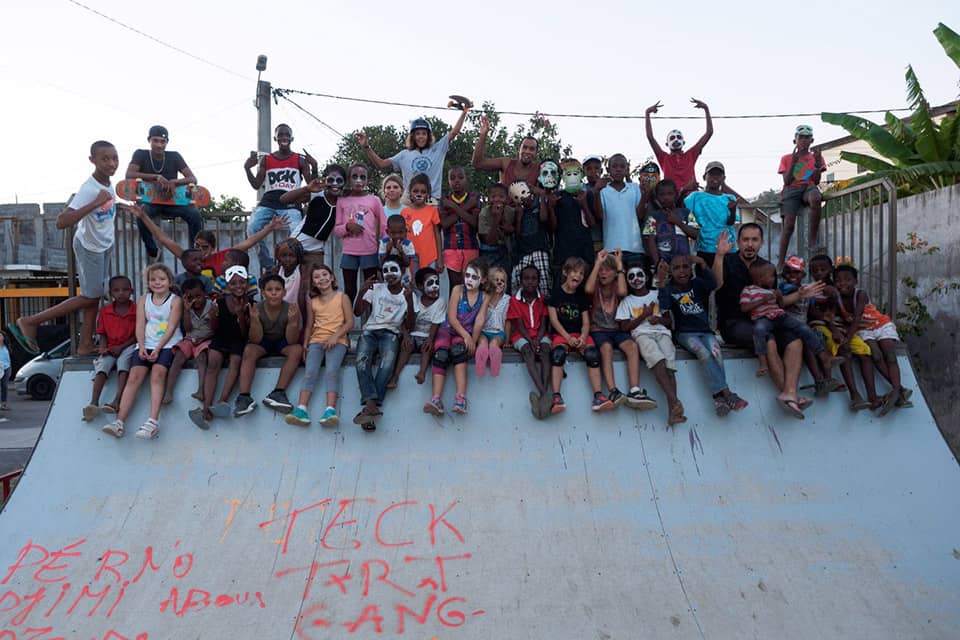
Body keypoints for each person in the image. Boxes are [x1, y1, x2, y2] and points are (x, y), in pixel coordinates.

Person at [9, 141, 123, 356]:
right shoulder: (89, 189)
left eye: (115, 158)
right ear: (92, 161)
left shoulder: (108, 183)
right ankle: (30, 321)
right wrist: (93, 203)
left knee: (94, 294)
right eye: (105, 159)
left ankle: (85, 345)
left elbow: (104, 209)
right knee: (91, 295)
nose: (111, 163)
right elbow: (62, 221)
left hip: (104, 244)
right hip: (90, 247)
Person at [714, 225, 813, 418]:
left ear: (761, 242)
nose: (749, 244)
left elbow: (776, 301)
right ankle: (788, 393)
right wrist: (718, 256)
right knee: (768, 340)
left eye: (754, 240)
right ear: (739, 242)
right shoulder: (726, 260)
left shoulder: (766, 267)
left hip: (766, 319)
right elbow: (716, 284)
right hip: (734, 323)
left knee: (795, 340)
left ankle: (790, 393)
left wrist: (799, 295)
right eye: (745, 240)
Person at [659, 255, 748, 417]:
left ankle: (718, 398)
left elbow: (713, 284)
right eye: (676, 268)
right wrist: (662, 283)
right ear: (670, 271)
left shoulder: (697, 284)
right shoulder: (669, 289)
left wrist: (702, 263)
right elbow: (664, 307)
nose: (682, 271)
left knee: (716, 353)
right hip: (684, 333)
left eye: (685, 266)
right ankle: (727, 393)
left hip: (705, 330)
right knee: (704, 353)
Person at [102, 264, 183, 439]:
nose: (157, 283)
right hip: (146, 344)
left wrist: (158, 348)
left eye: (162, 279)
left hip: (167, 345)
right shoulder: (143, 300)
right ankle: (119, 421)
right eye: (153, 279)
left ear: (169, 281)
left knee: (157, 375)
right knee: (134, 378)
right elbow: (140, 325)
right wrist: (142, 346)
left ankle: (153, 421)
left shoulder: (175, 300)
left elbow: (171, 327)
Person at [741, 261, 840, 389]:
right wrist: (762, 301)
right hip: (763, 318)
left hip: (779, 316)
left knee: (803, 328)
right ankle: (763, 363)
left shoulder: (774, 290)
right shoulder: (748, 290)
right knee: (759, 331)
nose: (774, 278)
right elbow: (744, 308)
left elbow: (781, 306)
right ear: (760, 279)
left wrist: (779, 297)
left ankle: (823, 356)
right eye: (771, 276)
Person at [834, 264, 911, 416]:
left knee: (889, 353)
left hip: (880, 324)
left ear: (855, 281)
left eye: (847, 280)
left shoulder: (860, 294)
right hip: (863, 330)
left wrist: (848, 339)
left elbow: (856, 318)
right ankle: (901, 390)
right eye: (838, 280)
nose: (843, 283)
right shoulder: (836, 298)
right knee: (875, 354)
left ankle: (896, 390)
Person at [617, 259, 685, 426]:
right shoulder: (626, 302)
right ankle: (675, 401)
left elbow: (669, 320)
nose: (636, 279)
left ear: (647, 277)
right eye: (631, 276)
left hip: (662, 333)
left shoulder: (657, 295)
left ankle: (673, 412)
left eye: (639, 275)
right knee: (659, 362)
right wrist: (643, 315)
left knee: (670, 368)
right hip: (642, 335)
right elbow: (624, 327)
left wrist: (658, 319)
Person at [131, 206, 286, 279]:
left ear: (213, 248)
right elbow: (163, 239)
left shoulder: (223, 256)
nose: (200, 250)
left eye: (205, 247)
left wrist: (270, 227)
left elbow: (248, 242)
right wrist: (144, 217)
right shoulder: (188, 257)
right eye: (197, 246)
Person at [585, 251, 655, 410]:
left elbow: (623, 292)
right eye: (601, 270)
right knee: (606, 348)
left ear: (615, 272)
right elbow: (588, 289)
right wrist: (597, 263)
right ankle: (613, 390)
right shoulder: (595, 286)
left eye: (607, 269)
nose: (603, 273)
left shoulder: (618, 286)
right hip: (598, 329)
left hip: (617, 329)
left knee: (632, 346)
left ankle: (635, 390)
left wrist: (619, 266)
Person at [242, 123, 316, 272]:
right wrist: (247, 168)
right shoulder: (267, 159)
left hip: (291, 200)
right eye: (280, 134)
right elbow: (257, 184)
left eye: (287, 134)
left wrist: (314, 166)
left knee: (296, 232)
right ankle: (268, 264)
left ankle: (292, 266)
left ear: (292, 138)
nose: (284, 137)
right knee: (252, 227)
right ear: (275, 138)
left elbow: (311, 184)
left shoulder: (299, 160)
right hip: (269, 200)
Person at [286, 264, 354, 426]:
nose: (322, 278)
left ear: (332, 277)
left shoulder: (342, 297)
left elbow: (350, 322)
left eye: (325, 274)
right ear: (313, 283)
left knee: (332, 371)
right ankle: (301, 408)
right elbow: (310, 324)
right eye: (317, 277)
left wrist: (335, 337)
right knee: (310, 372)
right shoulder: (313, 301)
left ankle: (330, 409)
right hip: (316, 340)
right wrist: (305, 344)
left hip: (338, 341)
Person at [353, 255, 414, 431]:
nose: (389, 274)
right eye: (385, 270)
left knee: (387, 364)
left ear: (402, 271)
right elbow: (358, 312)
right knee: (361, 363)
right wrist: (362, 291)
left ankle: (369, 408)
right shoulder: (376, 288)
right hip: (370, 331)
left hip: (391, 333)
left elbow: (410, 325)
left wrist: (409, 303)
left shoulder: (408, 294)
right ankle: (372, 406)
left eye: (393, 269)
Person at [806, 254, 875, 410]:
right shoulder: (814, 289)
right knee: (843, 351)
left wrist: (845, 334)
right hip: (824, 326)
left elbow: (843, 314)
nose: (819, 273)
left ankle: (872, 396)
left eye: (823, 270)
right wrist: (837, 332)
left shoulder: (835, 287)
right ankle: (854, 394)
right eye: (815, 271)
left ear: (830, 270)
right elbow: (816, 314)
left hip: (841, 328)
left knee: (865, 353)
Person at [357, 106, 469, 200]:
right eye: (418, 134)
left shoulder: (438, 149)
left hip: (432, 200)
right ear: (413, 137)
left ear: (428, 136)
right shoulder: (404, 154)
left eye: (424, 133)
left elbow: (454, 133)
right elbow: (381, 164)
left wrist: (464, 112)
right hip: (409, 201)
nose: (421, 137)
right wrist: (367, 147)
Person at [125, 125, 203, 259]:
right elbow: (129, 174)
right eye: (155, 141)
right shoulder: (141, 154)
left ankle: (194, 251)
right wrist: (156, 177)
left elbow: (193, 178)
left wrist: (174, 182)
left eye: (163, 141)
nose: (159, 145)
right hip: (151, 202)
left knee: (195, 214)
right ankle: (152, 249)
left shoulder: (174, 156)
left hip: (172, 202)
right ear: (149, 140)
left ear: (167, 142)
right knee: (142, 214)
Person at [423, 259, 488, 415]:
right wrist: (467, 336)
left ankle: (461, 398)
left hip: (464, 334)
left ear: (483, 280)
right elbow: (452, 317)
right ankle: (436, 399)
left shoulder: (484, 296)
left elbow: (480, 320)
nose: (469, 280)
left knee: (459, 352)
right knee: (441, 354)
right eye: (467, 275)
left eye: (474, 277)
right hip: (448, 329)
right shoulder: (458, 290)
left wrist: (473, 339)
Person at [189, 265, 250, 429]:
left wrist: (239, 314)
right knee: (213, 362)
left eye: (242, 282)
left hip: (238, 339)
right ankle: (206, 407)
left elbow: (244, 333)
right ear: (228, 286)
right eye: (234, 283)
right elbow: (215, 328)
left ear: (247, 283)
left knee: (236, 361)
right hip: (222, 337)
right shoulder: (220, 303)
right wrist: (213, 316)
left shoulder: (250, 303)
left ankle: (222, 400)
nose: (238, 286)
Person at [232, 275, 303, 416]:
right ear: (263, 293)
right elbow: (255, 339)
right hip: (263, 341)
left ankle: (278, 392)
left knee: (297, 350)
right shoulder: (256, 308)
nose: (274, 293)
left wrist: (293, 322)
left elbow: (292, 340)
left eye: (278, 289)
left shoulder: (291, 309)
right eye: (270, 290)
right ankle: (244, 397)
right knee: (249, 349)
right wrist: (255, 320)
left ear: (284, 292)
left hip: (283, 342)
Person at [547, 257, 610, 415]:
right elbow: (554, 320)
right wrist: (567, 338)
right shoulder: (555, 293)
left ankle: (598, 396)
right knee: (557, 355)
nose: (578, 275)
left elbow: (586, 322)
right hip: (562, 334)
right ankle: (556, 397)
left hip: (579, 334)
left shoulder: (581, 295)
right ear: (565, 273)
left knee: (592, 354)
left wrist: (583, 336)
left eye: (581, 273)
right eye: (575, 272)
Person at [83, 275, 137, 421]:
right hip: (110, 347)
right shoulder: (105, 311)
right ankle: (93, 402)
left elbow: (138, 335)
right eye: (116, 290)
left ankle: (117, 400)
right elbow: (102, 334)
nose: (121, 293)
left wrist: (121, 347)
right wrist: (103, 349)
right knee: (102, 365)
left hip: (129, 345)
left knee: (123, 365)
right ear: (111, 293)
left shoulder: (137, 310)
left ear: (131, 291)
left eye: (125, 290)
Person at [334, 163, 388, 305]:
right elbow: (337, 230)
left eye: (362, 177)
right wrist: (348, 226)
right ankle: (347, 322)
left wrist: (385, 246)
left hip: (369, 250)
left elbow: (383, 225)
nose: (358, 180)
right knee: (350, 290)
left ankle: (372, 323)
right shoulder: (342, 200)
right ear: (348, 179)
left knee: (371, 290)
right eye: (354, 177)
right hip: (349, 252)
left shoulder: (374, 200)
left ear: (368, 180)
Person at [281, 164, 346, 275]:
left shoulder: (344, 202)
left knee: (313, 286)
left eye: (339, 180)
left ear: (344, 182)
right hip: (296, 246)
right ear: (325, 181)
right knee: (289, 282)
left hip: (316, 251)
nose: (335, 184)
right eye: (331, 180)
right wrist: (307, 188)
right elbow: (283, 199)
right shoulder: (317, 195)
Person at [777, 125, 826, 270]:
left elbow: (816, 181)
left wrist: (817, 164)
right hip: (791, 189)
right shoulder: (786, 158)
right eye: (801, 138)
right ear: (795, 140)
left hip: (808, 188)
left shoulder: (816, 157)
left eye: (807, 138)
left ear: (812, 140)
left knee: (816, 198)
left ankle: (811, 241)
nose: (804, 141)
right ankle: (780, 261)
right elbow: (787, 181)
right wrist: (793, 162)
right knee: (789, 226)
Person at [508, 264, 553, 418]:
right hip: (522, 335)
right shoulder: (515, 300)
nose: (530, 282)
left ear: (539, 281)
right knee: (528, 352)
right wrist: (531, 341)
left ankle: (542, 397)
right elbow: (519, 326)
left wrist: (539, 340)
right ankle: (544, 393)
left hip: (540, 334)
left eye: (534, 279)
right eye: (526, 278)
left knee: (546, 350)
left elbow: (544, 323)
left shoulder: (542, 299)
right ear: (520, 281)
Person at [389, 267, 446, 388]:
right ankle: (395, 376)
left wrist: (430, 339)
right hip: (413, 335)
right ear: (420, 286)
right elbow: (404, 322)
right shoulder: (415, 300)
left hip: (427, 337)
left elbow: (435, 324)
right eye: (430, 283)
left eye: (437, 283)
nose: (435, 286)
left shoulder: (440, 302)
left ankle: (422, 373)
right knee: (406, 347)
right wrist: (405, 337)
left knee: (427, 349)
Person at [162, 277, 215, 405]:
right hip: (189, 339)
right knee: (178, 358)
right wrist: (186, 311)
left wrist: (214, 317)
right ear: (185, 297)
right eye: (190, 297)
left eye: (198, 296)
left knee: (202, 358)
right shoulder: (186, 308)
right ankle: (168, 392)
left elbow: (214, 329)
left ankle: (201, 390)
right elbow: (187, 329)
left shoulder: (211, 306)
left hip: (206, 340)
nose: (195, 300)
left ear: (205, 294)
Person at [644, 99, 713, 191]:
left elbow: (709, 133)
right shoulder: (664, 157)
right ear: (667, 144)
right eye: (672, 138)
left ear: (684, 142)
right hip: (671, 198)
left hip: (691, 197)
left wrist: (706, 109)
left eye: (679, 137)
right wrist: (647, 113)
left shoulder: (691, 154)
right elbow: (650, 137)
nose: (676, 140)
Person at [685, 162, 738, 268]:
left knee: (729, 282)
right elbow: (680, 208)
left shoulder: (730, 198)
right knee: (708, 282)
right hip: (706, 249)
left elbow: (730, 222)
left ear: (724, 178)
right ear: (704, 177)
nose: (715, 177)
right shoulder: (695, 196)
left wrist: (732, 211)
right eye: (711, 174)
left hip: (728, 249)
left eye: (718, 174)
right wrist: (684, 190)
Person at [548, 159, 596, 276]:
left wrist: (583, 204)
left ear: (581, 175)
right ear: (563, 176)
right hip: (563, 253)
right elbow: (552, 227)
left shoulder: (587, 194)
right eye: (568, 173)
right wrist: (551, 207)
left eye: (575, 173)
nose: (572, 177)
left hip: (584, 252)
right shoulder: (557, 197)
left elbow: (592, 224)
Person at [594, 154, 644, 262]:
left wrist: (645, 196)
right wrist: (596, 192)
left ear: (627, 169)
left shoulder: (634, 188)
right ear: (608, 169)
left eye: (622, 167)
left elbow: (640, 215)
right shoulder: (603, 190)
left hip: (634, 248)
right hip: (611, 248)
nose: (618, 169)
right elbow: (600, 215)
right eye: (615, 166)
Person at [643, 179, 699, 268]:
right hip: (663, 264)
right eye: (662, 194)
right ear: (657, 197)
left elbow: (696, 235)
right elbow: (651, 242)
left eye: (670, 194)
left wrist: (678, 222)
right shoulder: (652, 217)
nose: (666, 197)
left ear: (676, 195)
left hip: (684, 264)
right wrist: (658, 264)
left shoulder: (687, 213)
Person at [508, 181, 551, 296]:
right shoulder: (519, 212)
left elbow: (543, 219)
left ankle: (544, 306)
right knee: (517, 278)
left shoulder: (538, 205)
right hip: (522, 252)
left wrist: (541, 195)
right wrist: (519, 218)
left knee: (543, 278)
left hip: (539, 249)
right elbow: (517, 235)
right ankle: (519, 305)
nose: (523, 199)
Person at [440, 167, 481, 288]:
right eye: (452, 178)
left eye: (460, 177)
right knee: (455, 285)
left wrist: (453, 206)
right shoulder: (444, 200)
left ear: (466, 179)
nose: (456, 181)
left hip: (471, 247)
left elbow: (474, 223)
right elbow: (445, 224)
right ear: (448, 182)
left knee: (470, 284)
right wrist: (467, 208)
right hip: (451, 249)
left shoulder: (473, 197)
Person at [473, 116, 539, 188]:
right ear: (519, 149)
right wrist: (483, 134)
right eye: (524, 147)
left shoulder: (540, 170)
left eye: (531, 149)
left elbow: (550, 195)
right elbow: (477, 163)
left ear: (536, 152)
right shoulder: (506, 163)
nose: (527, 151)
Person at [401, 174, 443, 273]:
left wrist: (440, 258)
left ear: (427, 194)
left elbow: (437, 234)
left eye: (423, 192)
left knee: (429, 285)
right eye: (415, 191)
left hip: (430, 256)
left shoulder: (432, 211)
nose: (419, 194)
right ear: (410, 193)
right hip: (410, 256)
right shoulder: (404, 212)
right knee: (413, 285)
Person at [475, 266, 509, 377]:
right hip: (484, 331)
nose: (499, 283)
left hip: (499, 332)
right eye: (496, 280)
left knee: (494, 344)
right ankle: (480, 367)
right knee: (483, 343)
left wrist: (507, 340)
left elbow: (508, 321)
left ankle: (494, 367)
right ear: (490, 281)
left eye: (502, 281)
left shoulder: (507, 300)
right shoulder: (483, 297)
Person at [477, 183, 514, 274]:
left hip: (505, 251)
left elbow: (514, 230)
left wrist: (511, 229)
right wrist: (496, 219)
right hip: (488, 252)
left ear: (507, 199)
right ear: (488, 199)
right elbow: (490, 242)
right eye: (493, 196)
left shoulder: (510, 211)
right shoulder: (484, 214)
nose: (497, 199)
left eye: (501, 196)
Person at [378, 214, 418, 285]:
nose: (397, 236)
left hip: (404, 277)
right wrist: (388, 251)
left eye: (400, 232)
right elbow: (382, 263)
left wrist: (401, 252)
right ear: (387, 232)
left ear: (405, 231)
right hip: (389, 276)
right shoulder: (384, 243)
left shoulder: (408, 244)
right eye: (393, 233)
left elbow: (407, 263)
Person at [582, 155, 605, 253]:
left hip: (608, 237)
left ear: (601, 170)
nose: (593, 171)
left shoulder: (607, 188)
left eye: (596, 168)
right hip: (591, 236)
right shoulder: (582, 189)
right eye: (589, 169)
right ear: (584, 171)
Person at [0, 334, 9, 411]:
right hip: (0, 368)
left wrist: (10, 367)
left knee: (4, 386)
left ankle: (4, 404)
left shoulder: (6, 347)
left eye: (0, 336)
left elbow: (8, 358)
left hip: (6, 368)